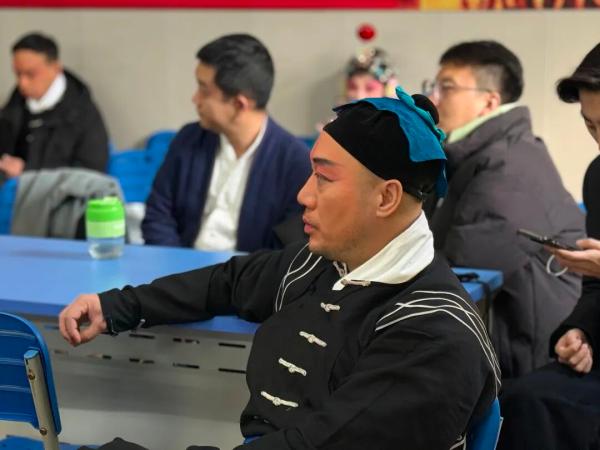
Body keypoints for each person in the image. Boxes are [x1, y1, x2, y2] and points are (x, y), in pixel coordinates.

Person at [59, 87, 500, 450]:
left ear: (386, 198)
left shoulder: (432, 335)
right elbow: (229, 281)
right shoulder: (324, 262)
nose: (303, 195)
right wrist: (118, 306)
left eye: (324, 178)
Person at [425, 40, 585, 378]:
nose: (434, 99)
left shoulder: (510, 164)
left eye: (447, 88)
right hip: (512, 338)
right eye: (434, 86)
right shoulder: (483, 152)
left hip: (534, 353)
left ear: (489, 101)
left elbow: (464, 261)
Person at [498, 42, 600, 450]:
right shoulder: (599, 177)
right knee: (522, 400)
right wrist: (582, 332)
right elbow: (595, 288)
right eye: (591, 126)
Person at [141, 34, 311, 252]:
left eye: (204, 90)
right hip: (179, 268)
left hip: (249, 273)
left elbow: (285, 252)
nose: (195, 99)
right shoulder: (188, 138)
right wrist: (176, 267)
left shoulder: (296, 164)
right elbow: (157, 215)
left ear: (239, 104)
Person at [0, 32, 109, 181]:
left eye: (31, 74)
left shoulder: (83, 115)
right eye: (18, 74)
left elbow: (90, 176)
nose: (22, 83)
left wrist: (27, 174)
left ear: (56, 68)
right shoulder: (14, 106)